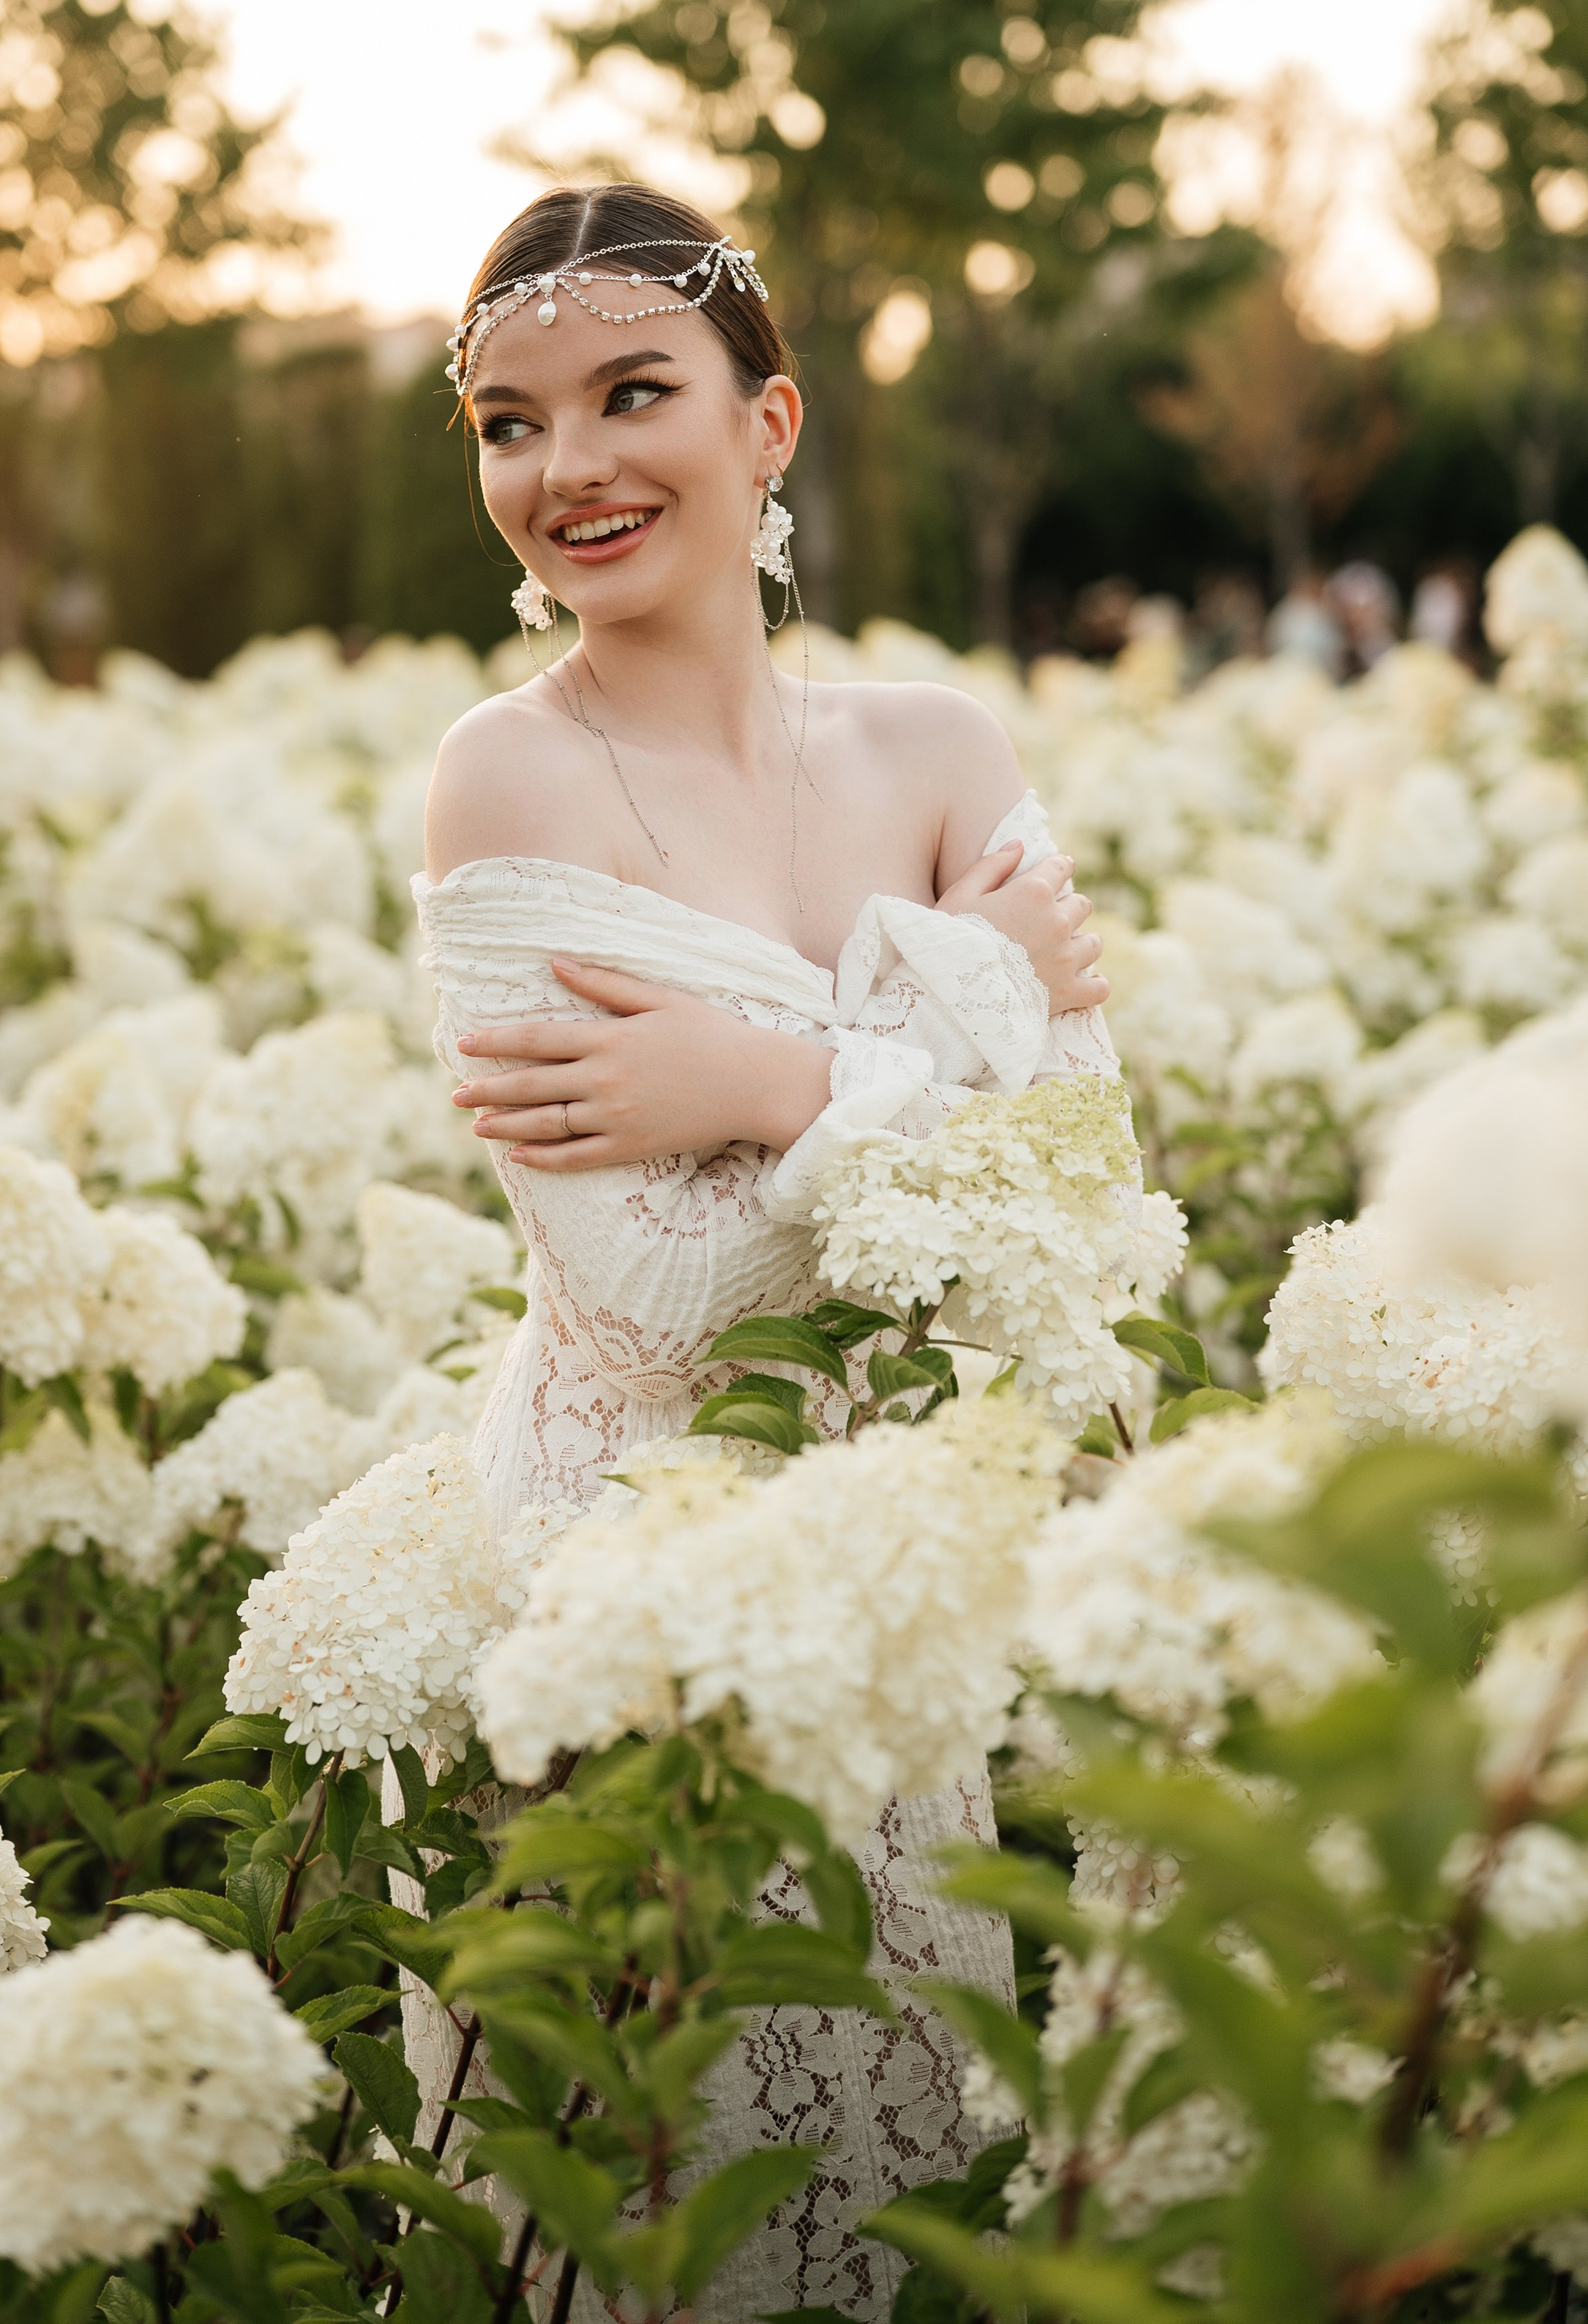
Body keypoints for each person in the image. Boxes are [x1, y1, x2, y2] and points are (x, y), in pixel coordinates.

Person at [414, 181, 1115, 2320]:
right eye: (509, 422)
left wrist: (768, 1081)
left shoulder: (941, 748)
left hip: (883, 1598)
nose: (570, 470)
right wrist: (934, 1019)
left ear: (772, 419)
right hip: (621, 1581)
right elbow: (661, 1285)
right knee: (658, 2194)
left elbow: (1073, 1205)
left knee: (890, 2218)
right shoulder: (499, 784)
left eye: (637, 393)